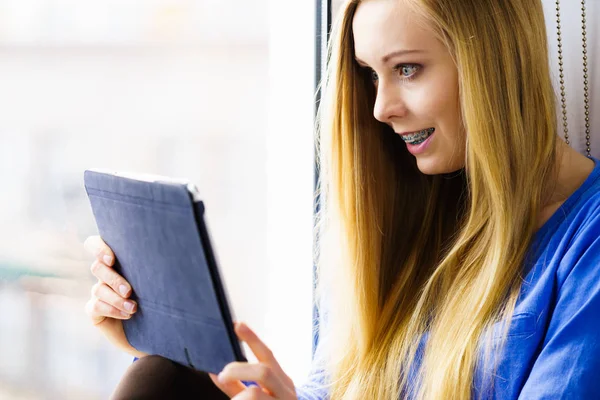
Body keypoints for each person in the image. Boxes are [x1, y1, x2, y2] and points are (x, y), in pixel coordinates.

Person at [83, 0, 600, 398]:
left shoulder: (586, 247)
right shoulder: (412, 223)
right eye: (372, 74)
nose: (380, 108)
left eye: (407, 69)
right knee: (160, 379)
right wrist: (152, 332)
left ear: (494, 61)